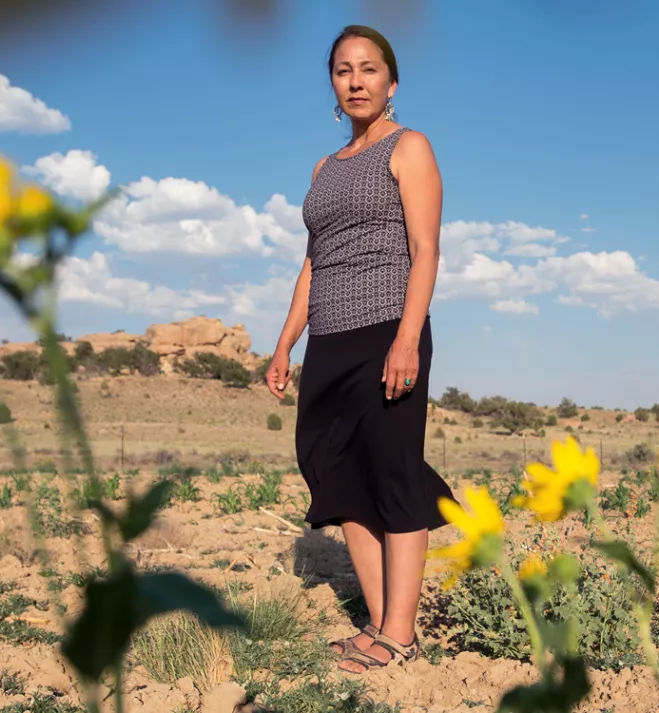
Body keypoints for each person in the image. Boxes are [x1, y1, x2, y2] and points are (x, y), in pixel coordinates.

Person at [264, 24, 454, 674]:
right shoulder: (323, 169)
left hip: (385, 330)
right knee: (337, 474)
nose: (355, 80)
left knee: (393, 474)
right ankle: (378, 623)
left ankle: (399, 635)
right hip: (330, 341)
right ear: (333, 86)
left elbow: (426, 249)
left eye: (368, 69)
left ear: (391, 82)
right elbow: (313, 266)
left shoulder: (409, 148)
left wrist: (406, 338)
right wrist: (285, 343)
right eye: (343, 70)